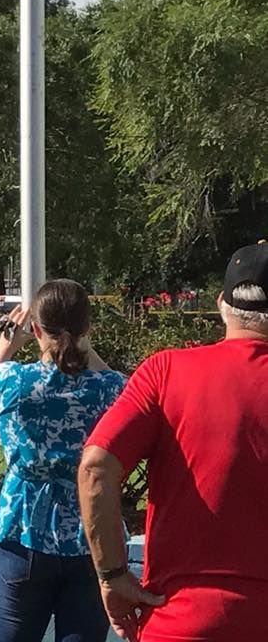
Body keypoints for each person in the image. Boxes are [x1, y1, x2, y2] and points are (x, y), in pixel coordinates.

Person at [79, 242, 268, 642]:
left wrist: (112, 575)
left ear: (221, 304)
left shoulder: (166, 372)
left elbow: (96, 467)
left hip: (180, 620)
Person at [0, 279, 126, 642]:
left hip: (23, 533)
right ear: (87, 329)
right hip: (91, 539)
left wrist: (5, 348)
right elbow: (130, 404)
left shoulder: (11, 381)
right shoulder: (109, 389)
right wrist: (86, 348)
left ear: (35, 329)